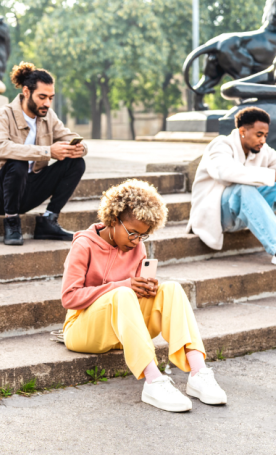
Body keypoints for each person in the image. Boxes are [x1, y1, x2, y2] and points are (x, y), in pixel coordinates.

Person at [61, 179, 227, 412]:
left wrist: (146, 289)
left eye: (143, 235)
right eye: (132, 233)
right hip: (82, 329)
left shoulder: (136, 246)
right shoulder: (84, 245)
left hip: (123, 329)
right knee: (122, 293)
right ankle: (153, 381)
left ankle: (198, 373)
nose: (137, 241)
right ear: (112, 219)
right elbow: (69, 297)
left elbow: (133, 295)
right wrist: (124, 285)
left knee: (172, 290)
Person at [0, 62, 87, 246]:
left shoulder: (48, 116)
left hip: (28, 190)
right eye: (42, 97)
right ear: (27, 92)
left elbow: (73, 137)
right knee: (18, 162)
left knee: (77, 163)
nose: (47, 103)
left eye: (51, 98)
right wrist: (48, 152)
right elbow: (1, 148)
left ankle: (48, 221)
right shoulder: (2, 115)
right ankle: (12, 222)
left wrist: (79, 148)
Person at [188, 107, 276, 263]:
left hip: (246, 213)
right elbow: (225, 174)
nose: (263, 140)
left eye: (265, 136)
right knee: (243, 189)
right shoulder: (220, 145)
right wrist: (270, 175)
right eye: (259, 135)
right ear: (242, 131)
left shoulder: (263, 150)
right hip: (216, 214)